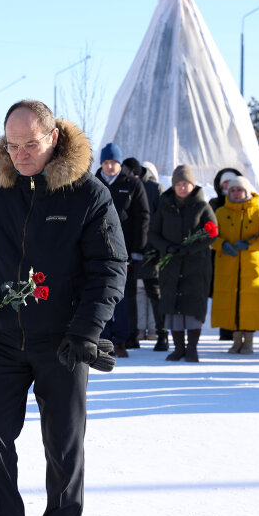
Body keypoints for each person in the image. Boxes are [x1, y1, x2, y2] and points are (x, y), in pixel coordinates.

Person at [0, 100, 127, 516]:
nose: (21, 154)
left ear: (53, 137)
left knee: (63, 444)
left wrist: (86, 330)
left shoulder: (87, 194)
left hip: (63, 341)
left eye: (30, 143)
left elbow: (109, 267)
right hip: (4, 339)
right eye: (12, 145)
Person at [148, 165, 217, 363]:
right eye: (178, 184)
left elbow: (212, 232)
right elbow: (153, 232)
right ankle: (179, 348)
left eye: (186, 183)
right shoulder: (164, 205)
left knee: (193, 305)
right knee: (173, 305)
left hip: (195, 265)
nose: (182, 187)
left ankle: (192, 348)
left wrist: (190, 248)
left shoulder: (202, 207)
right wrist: (167, 248)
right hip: (171, 265)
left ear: (192, 185)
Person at [95, 144, 149, 357]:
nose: (109, 166)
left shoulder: (132, 184)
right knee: (99, 295)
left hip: (123, 251)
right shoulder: (92, 183)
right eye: (106, 162)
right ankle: (103, 338)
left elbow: (143, 217)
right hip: (97, 250)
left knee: (122, 296)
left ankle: (121, 340)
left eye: (113, 163)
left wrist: (138, 249)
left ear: (119, 163)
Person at [210, 176, 259, 353]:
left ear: (247, 191)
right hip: (227, 264)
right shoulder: (221, 213)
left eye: (239, 190)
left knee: (249, 303)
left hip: (250, 265)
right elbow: (211, 235)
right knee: (231, 302)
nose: (236, 193)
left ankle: (249, 341)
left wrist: (250, 245)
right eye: (233, 190)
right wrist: (222, 244)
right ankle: (236, 339)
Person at [210, 168, 243, 342]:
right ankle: (225, 330)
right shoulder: (215, 204)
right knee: (223, 294)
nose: (229, 186)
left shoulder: (245, 202)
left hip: (241, 255)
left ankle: (240, 329)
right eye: (225, 183)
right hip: (220, 256)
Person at [136, 160, 167, 351]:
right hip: (145, 249)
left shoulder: (154, 190)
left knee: (149, 292)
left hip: (149, 248)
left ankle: (149, 328)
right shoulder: (148, 190)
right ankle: (146, 328)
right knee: (145, 292)